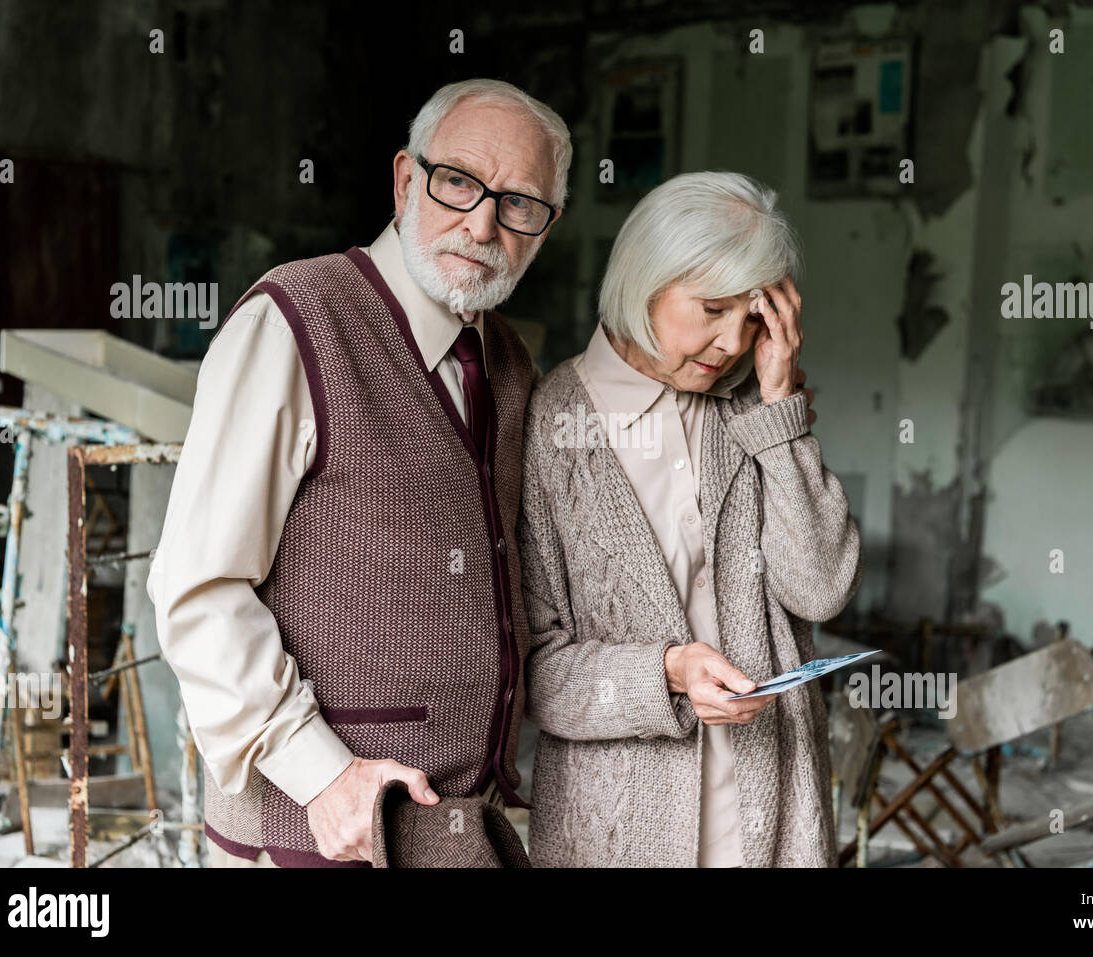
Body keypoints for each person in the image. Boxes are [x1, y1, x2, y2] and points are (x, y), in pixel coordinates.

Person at [147, 78, 570, 866]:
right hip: (319, 832)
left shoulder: (508, 360)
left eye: (518, 205)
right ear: (407, 180)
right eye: (459, 184)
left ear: (544, 229)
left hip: (453, 832)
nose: (482, 224)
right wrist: (322, 775)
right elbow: (198, 590)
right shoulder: (294, 319)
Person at [518, 171, 862, 867]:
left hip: (772, 820)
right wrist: (668, 672)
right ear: (645, 279)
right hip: (613, 832)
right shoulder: (551, 424)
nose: (732, 341)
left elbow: (822, 588)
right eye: (712, 308)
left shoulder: (755, 411)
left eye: (753, 316)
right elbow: (536, 675)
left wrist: (779, 409)